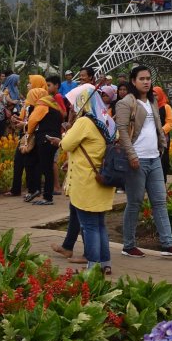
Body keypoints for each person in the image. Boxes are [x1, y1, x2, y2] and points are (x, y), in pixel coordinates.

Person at [116, 64, 172, 258]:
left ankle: (167, 243)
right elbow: (122, 131)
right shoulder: (126, 103)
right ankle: (128, 245)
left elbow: (158, 126)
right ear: (133, 81)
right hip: (136, 160)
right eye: (142, 79)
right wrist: (131, 155)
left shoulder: (153, 101)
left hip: (154, 158)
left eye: (148, 79)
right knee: (135, 202)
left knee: (160, 201)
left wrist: (161, 147)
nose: (146, 82)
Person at [56, 85, 116, 273]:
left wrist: (69, 128)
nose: (74, 107)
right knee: (99, 224)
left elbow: (66, 144)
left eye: (76, 103)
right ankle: (105, 263)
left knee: (89, 225)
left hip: (86, 181)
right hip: (104, 178)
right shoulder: (108, 122)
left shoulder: (84, 122)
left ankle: (93, 264)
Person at [25, 75, 66, 205]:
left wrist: (27, 134)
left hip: (45, 139)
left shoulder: (42, 105)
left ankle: (47, 197)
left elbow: (32, 121)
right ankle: (46, 195)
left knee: (45, 168)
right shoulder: (54, 105)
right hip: (54, 138)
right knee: (46, 167)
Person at [154, 86, 172, 177]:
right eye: (152, 95)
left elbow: (170, 123)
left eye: (156, 95)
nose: (154, 97)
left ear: (160, 95)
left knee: (163, 157)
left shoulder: (166, 107)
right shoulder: (149, 106)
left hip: (163, 136)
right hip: (151, 136)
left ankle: (163, 178)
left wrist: (161, 130)